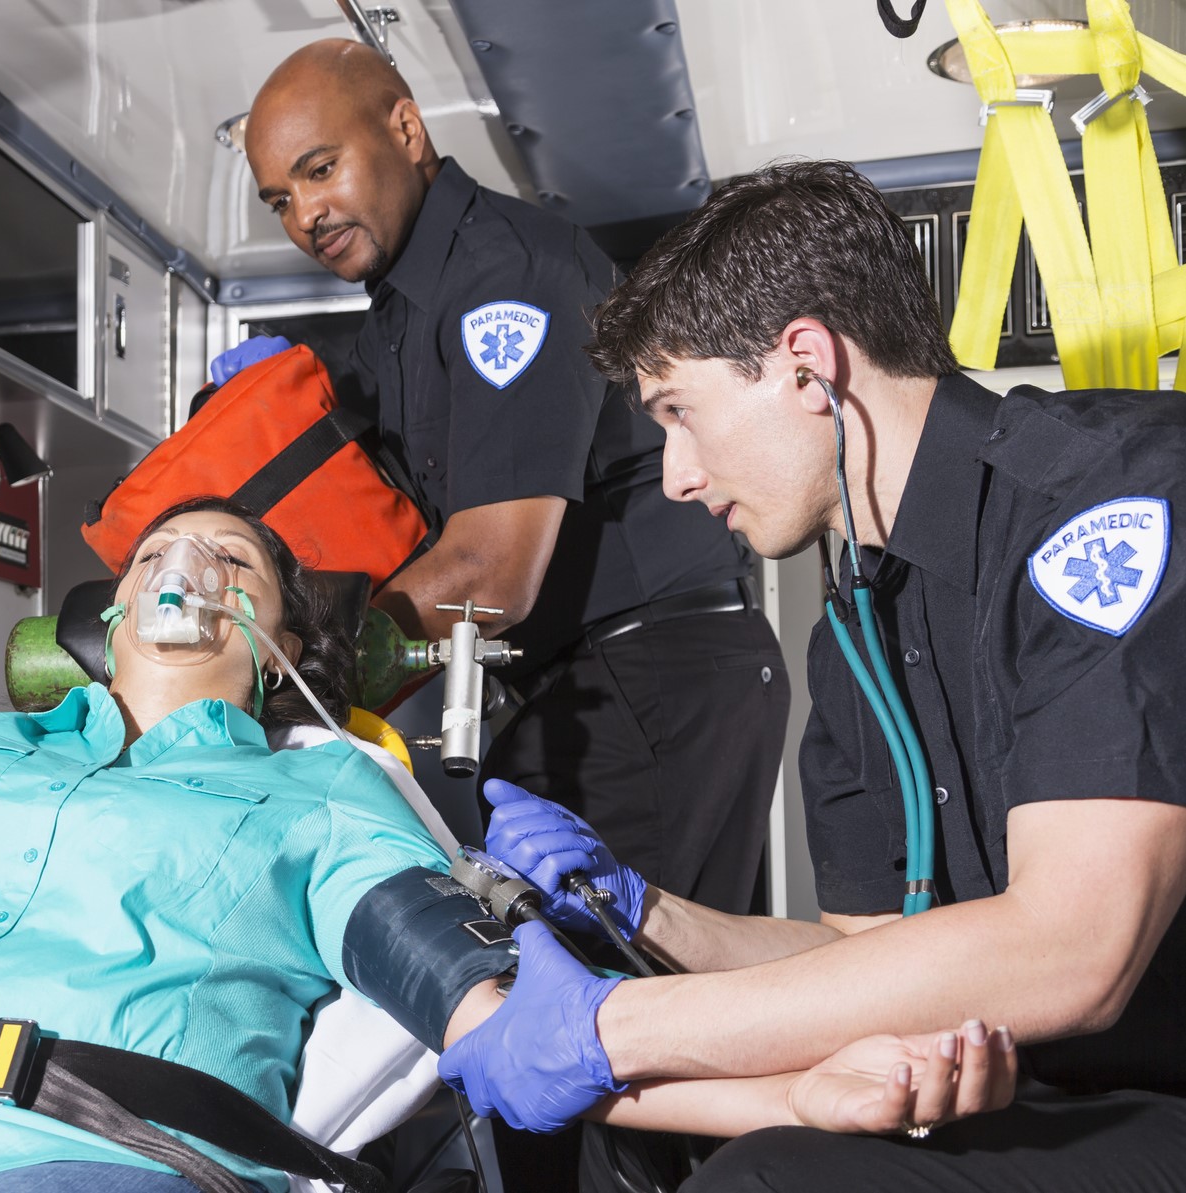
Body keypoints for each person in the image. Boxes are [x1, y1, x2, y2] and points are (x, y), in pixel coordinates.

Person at [0, 497, 1008, 1193]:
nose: (190, 570)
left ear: (282, 643)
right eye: (166, 547)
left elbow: (507, 1029)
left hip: (90, 1162)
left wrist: (801, 1097)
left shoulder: (326, 795)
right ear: (98, 617)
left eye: (237, 568)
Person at [437, 159, 1186, 1191]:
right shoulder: (858, 629)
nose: (676, 475)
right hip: (1059, 1106)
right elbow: (861, 956)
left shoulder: (1103, 509)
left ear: (806, 366)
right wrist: (643, 910)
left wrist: (619, 1025)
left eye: (679, 411)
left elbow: (1073, 946)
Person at [236, 41, 784, 920]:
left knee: (616, 1005)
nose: (304, 213)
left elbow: (490, 571)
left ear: (406, 130)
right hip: (593, 686)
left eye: (319, 169)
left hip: (652, 683)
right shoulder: (397, 314)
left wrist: (290, 677)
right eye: (279, 199)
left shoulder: (507, 276)